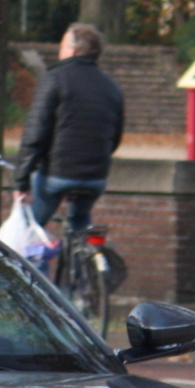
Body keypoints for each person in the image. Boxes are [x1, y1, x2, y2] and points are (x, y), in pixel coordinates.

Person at [14, 22, 124, 235]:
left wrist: (22, 180)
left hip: (58, 174)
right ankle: (87, 259)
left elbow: (35, 134)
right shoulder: (111, 86)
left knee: (30, 232)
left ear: (73, 50)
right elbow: (115, 136)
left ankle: (36, 266)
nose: (59, 50)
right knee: (80, 223)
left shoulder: (54, 78)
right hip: (96, 177)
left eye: (63, 45)